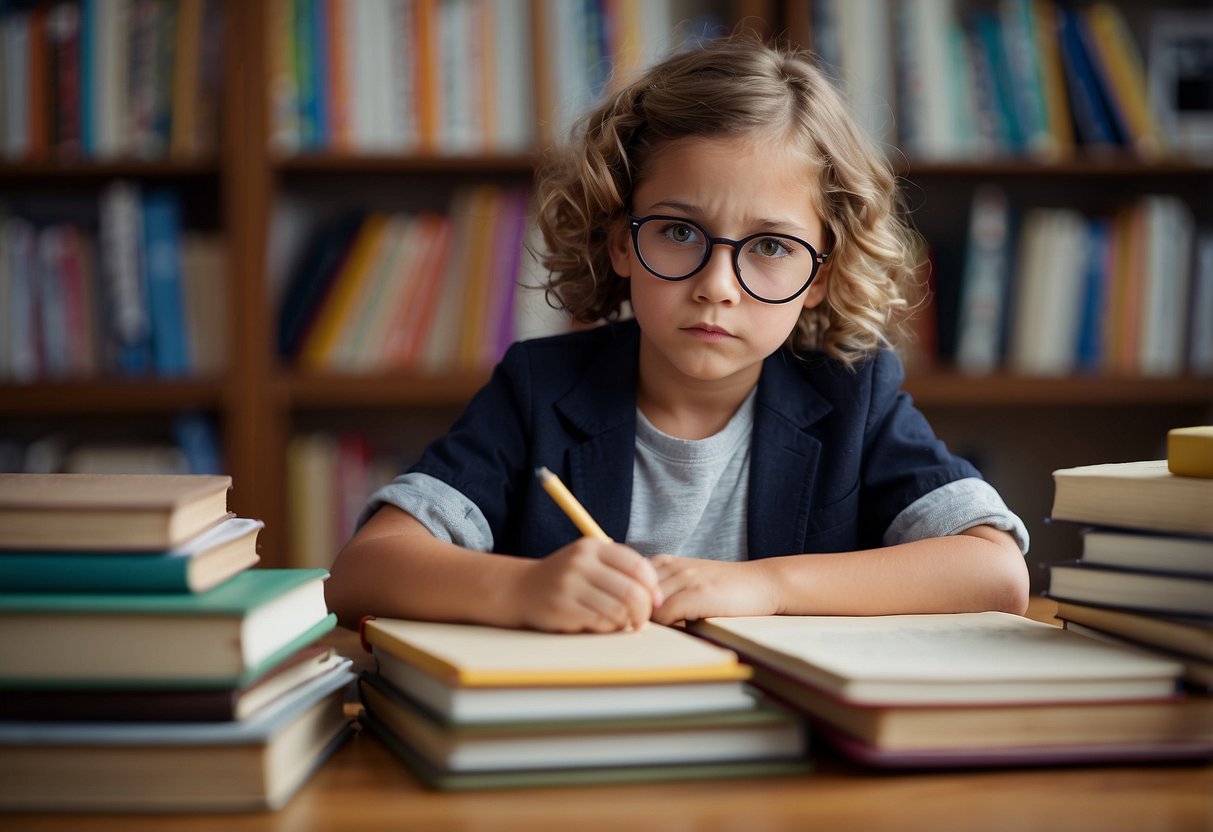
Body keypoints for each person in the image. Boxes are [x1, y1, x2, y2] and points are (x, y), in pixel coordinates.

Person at [325, 35, 1030, 634]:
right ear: (621, 244)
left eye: (771, 247)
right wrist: (520, 590)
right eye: (677, 231)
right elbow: (361, 571)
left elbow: (994, 571)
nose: (717, 284)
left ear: (819, 274)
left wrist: (768, 587)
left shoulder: (853, 395)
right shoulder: (540, 390)